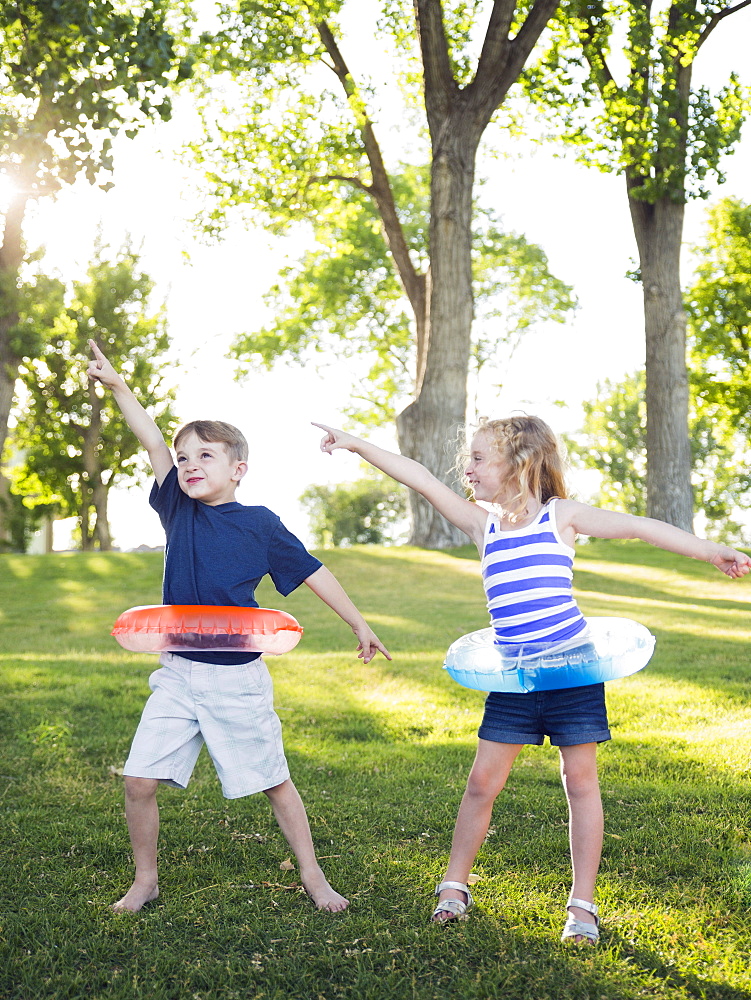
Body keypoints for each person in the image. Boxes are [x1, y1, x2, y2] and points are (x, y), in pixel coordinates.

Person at [313, 415, 750, 944]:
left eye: (478, 458)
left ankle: (582, 906)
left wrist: (711, 550)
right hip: (514, 680)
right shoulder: (483, 526)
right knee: (480, 785)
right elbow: (420, 478)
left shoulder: (558, 517)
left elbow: (637, 526)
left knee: (580, 783)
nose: (466, 469)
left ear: (518, 463)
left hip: (572, 673)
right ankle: (454, 884)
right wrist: (357, 444)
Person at [87, 341, 390, 915]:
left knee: (274, 780)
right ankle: (145, 880)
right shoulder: (178, 507)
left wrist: (359, 622)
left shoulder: (261, 526)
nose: (189, 465)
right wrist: (119, 387)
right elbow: (152, 439)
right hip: (176, 672)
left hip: (237, 679)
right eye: (183, 459)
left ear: (238, 468)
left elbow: (313, 572)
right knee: (137, 781)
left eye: (204, 456)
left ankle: (314, 876)